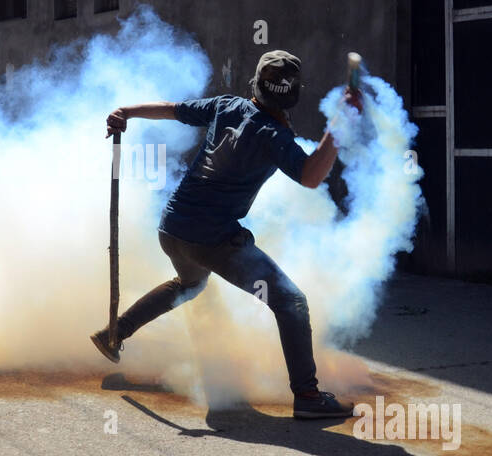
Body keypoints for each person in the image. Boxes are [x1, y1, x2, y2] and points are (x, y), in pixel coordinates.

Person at [92, 50, 361, 419]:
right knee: (290, 302)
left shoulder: (227, 106)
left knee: (190, 283)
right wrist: (340, 126)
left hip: (172, 228)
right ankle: (309, 397)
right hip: (210, 239)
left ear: (256, 85)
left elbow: (172, 109)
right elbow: (312, 175)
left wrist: (126, 111)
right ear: (292, 96)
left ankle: (116, 332)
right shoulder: (273, 134)